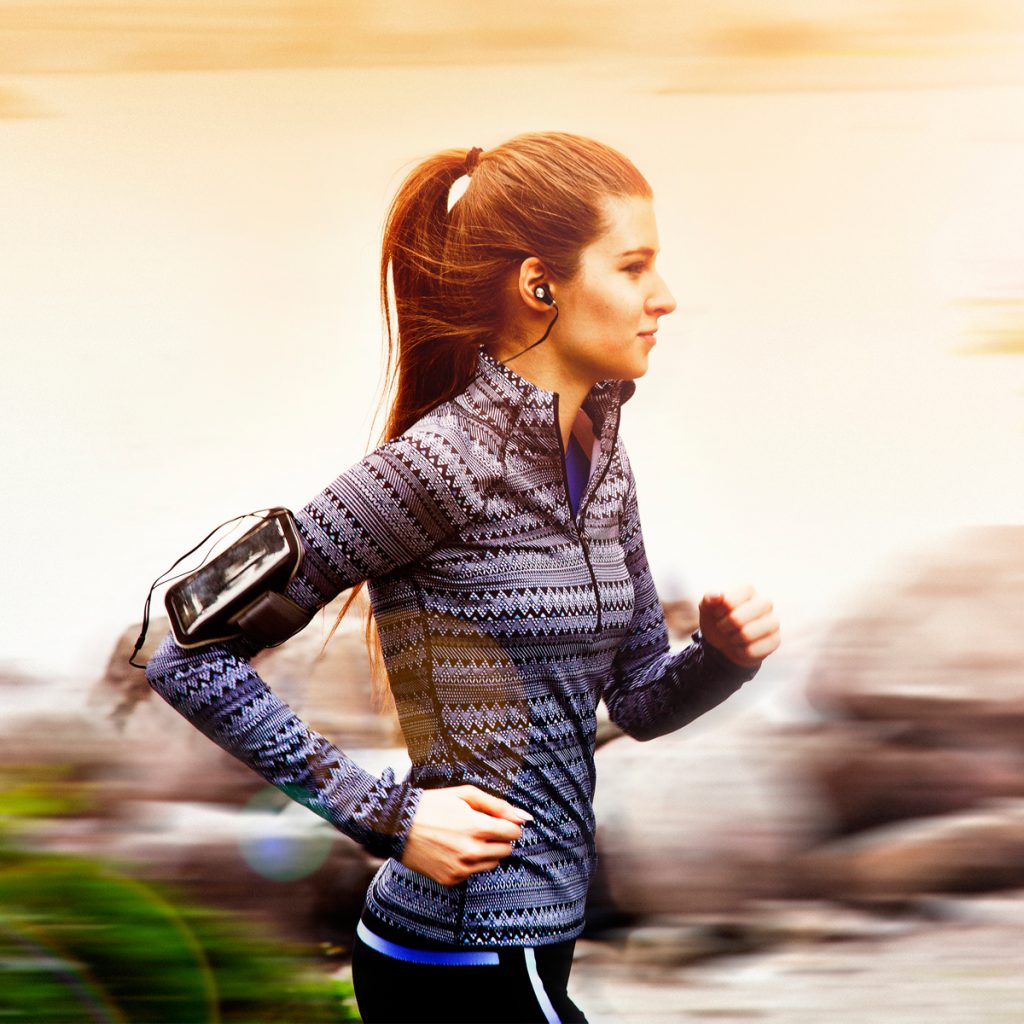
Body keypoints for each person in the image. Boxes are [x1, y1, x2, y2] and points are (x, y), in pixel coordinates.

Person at [143, 131, 781, 1024]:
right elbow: (188, 656)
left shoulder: (601, 460)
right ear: (539, 285)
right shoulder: (440, 467)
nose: (665, 298)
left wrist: (718, 658)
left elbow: (636, 700)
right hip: (456, 954)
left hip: (538, 942)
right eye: (634, 267)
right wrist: (390, 814)